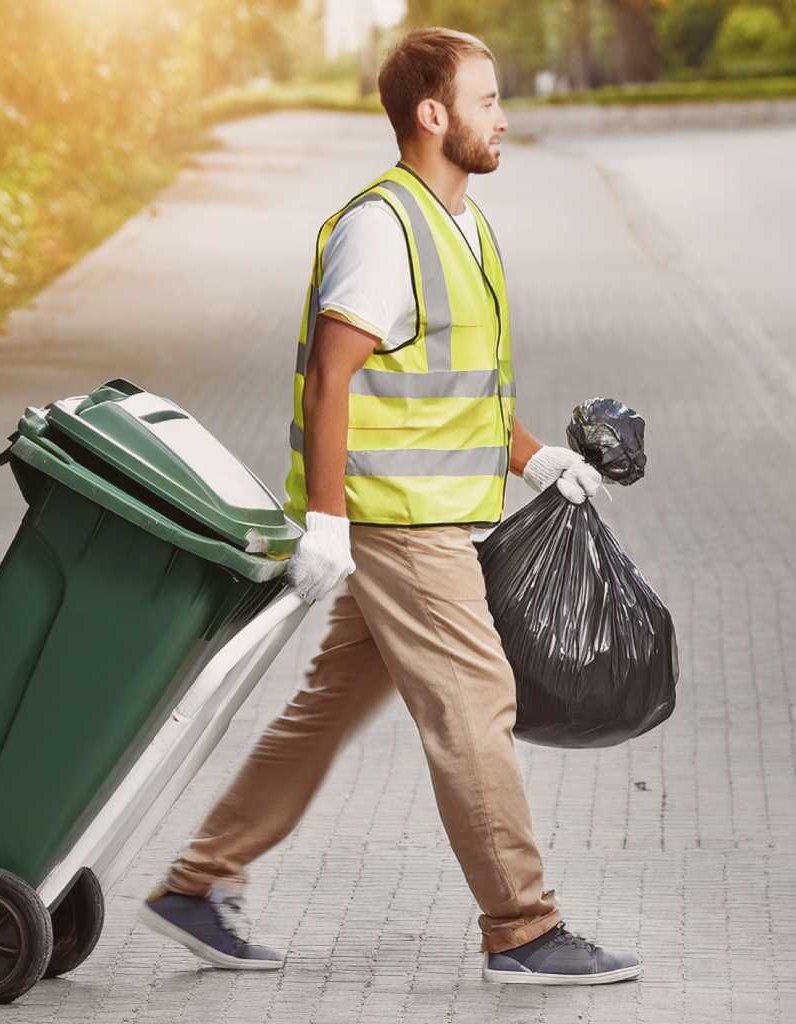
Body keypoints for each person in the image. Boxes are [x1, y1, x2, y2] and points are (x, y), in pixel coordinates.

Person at [140, 26, 642, 986]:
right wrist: (326, 520)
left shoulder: (462, 223)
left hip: (432, 513)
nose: (504, 116)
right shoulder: (383, 227)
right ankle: (522, 928)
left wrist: (536, 462)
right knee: (474, 701)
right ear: (433, 114)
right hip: (396, 522)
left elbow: (458, 391)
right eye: (487, 100)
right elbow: (333, 379)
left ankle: (197, 884)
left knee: (329, 706)